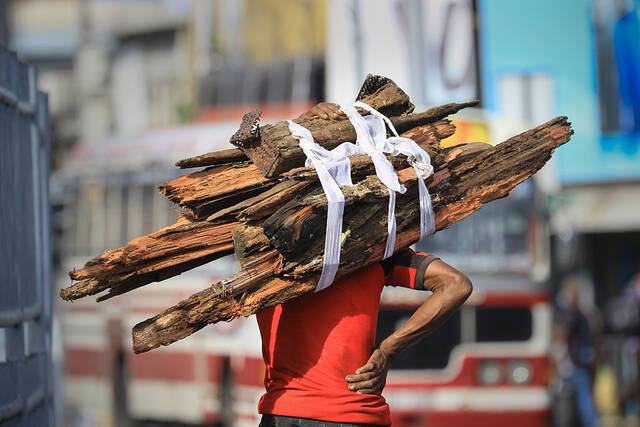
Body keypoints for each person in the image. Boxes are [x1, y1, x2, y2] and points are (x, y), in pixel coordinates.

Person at [256, 103, 473, 427]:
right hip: (351, 414)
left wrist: (306, 123)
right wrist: (387, 350)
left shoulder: (262, 246)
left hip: (282, 413)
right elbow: (456, 284)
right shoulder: (373, 251)